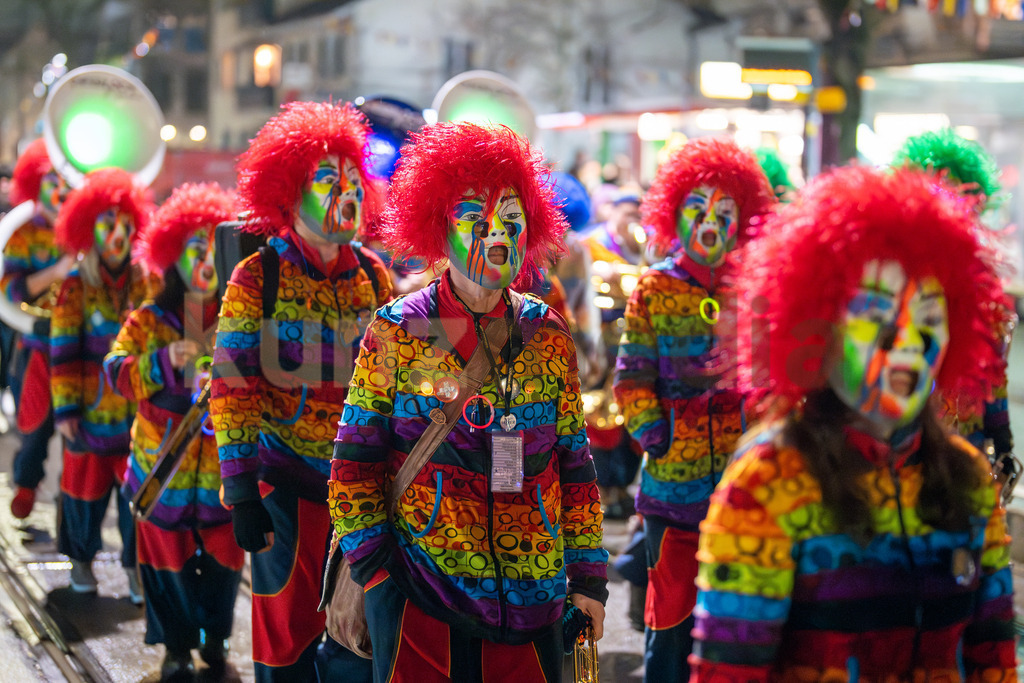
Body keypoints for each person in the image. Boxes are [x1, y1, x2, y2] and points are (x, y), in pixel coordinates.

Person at [690, 165, 1017, 679]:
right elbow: (728, 670)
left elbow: (994, 657)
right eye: (878, 316)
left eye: (929, 318)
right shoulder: (769, 480)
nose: (908, 342)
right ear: (818, 328)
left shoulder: (968, 479)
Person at [329, 122, 608, 682]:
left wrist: (588, 580)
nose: (496, 236)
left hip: (535, 602)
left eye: (510, 220)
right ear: (440, 228)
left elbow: (574, 463)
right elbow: (352, 467)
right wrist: (378, 572)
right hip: (422, 598)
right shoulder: (398, 330)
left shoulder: (547, 332)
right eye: (475, 221)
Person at [209, 100, 392, 682]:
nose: (348, 194)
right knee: (286, 636)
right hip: (283, 487)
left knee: (351, 637)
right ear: (289, 194)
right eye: (327, 181)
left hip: (359, 494)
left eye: (353, 181)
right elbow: (233, 388)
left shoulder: (374, 275)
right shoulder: (257, 277)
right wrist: (239, 492)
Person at [612, 137, 775, 683]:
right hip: (671, 495)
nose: (711, 222)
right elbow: (631, 378)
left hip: (742, 490)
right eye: (698, 209)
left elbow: (772, 378)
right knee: (671, 627)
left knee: (732, 629)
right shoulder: (654, 288)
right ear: (676, 214)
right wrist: (658, 437)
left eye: (725, 212)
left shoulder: (754, 289)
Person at [105, 183, 243, 682]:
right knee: (167, 568)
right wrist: (164, 361)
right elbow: (116, 374)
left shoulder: (242, 316)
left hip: (224, 478)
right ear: (172, 257)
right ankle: (176, 646)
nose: (206, 260)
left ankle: (215, 638)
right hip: (162, 473)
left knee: (227, 568)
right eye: (194, 249)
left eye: (213, 247)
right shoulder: (148, 319)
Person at [892, 128, 1017, 492]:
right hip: (900, 450)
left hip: (965, 451)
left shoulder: (980, 284)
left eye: (959, 199)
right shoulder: (888, 277)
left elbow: (992, 376)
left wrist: (1004, 445)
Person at [50, 167, 151, 598]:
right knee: (83, 496)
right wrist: (67, 410)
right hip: (89, 415)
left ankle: (135, 569)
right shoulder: (74, 285)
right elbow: (62, 352)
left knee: (137, 501)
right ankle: (81, 561)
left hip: (134, 418)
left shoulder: (146, 281)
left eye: (125, 224)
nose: (117, 233)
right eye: (107, 224)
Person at [2, 138, 75, 518]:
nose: (60, 189)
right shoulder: (24, 231)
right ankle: (26, 484)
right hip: (39, 343)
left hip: (82, 346)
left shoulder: (86, 230)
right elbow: (10, 289)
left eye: (66, 180)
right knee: (35, 427)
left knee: (80, 431)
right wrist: (56, 272)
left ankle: (73, 499)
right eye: (52, 180)